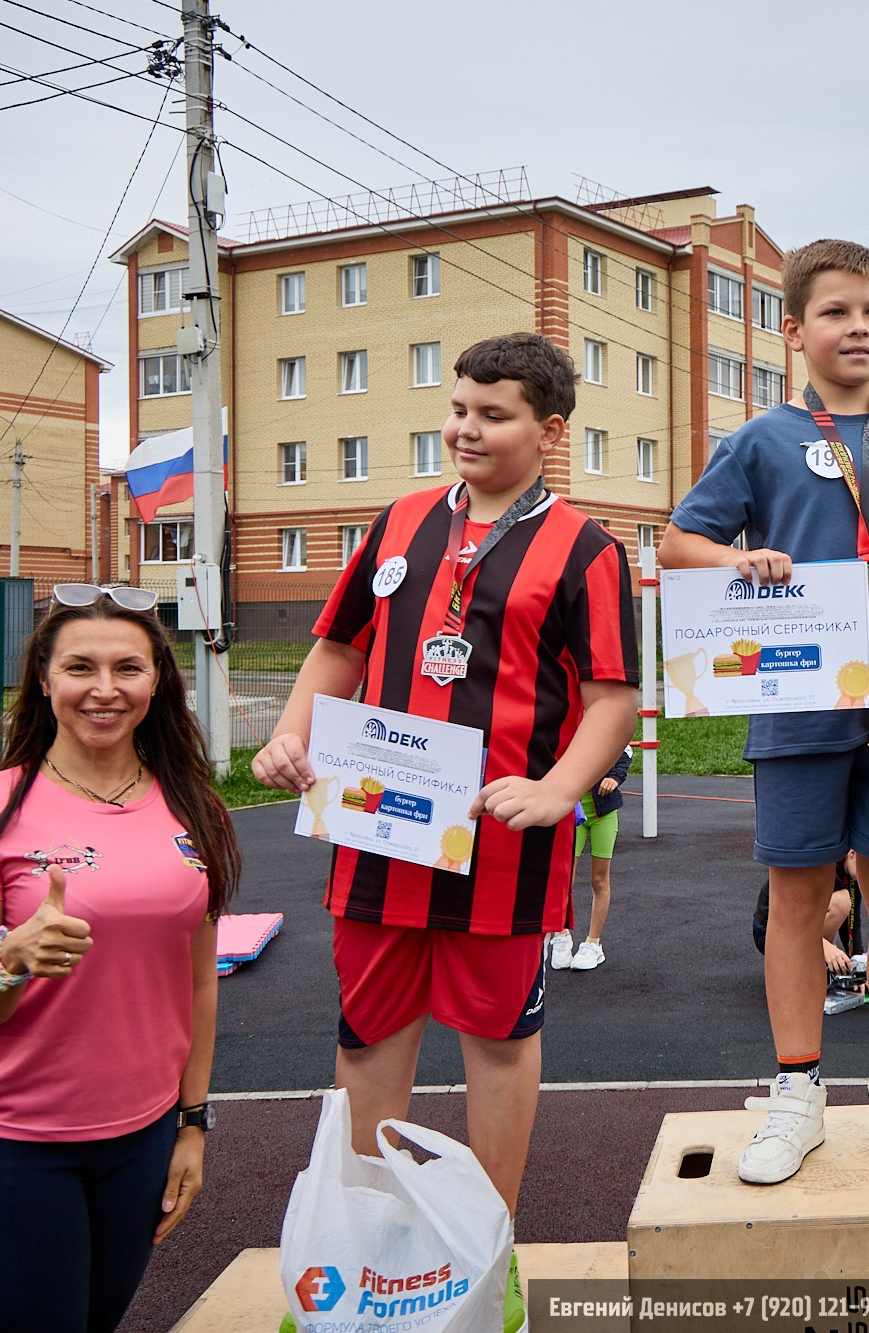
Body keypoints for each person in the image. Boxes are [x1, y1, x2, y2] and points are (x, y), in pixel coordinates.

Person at [251, 335, 639, 1257]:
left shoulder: (588, 550)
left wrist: (557, 789)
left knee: (497, 1043)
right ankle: (364, 1237)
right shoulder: (397, 522)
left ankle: (486, 1242)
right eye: (459, 408)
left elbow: (613, 699)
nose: (466, 427)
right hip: (377, 828)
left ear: (549, 431)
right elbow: (338, 648)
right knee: (367, 1035)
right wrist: (291, 733)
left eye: (492, 414)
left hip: (503, 843)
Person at [660, 237, 869, 1185]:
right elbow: (679, 543)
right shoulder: (760, 439)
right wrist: (737, 558)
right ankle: (796, 1089)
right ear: (795, 330)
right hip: (797, 702)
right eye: (837, 311)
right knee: (799, 899)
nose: (859, 327)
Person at [0, 584, 239, 1333]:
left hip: (142, 1140)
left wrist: (192, 1122)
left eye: (127, 668)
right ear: (44, 678)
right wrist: (10, 959)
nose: (104, 689)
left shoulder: (193, 806)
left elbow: (199, 980)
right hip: (16, 1144)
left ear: (157, 681)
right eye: (79, 667)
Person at [549, 743, 633, 971]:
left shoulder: (602, 724)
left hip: (602, 813)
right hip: (570, 812)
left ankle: (593, 943)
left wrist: (615, 777)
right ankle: (561, 935)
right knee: (563, 877)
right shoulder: (566, 726)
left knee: (599, 879)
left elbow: (624, 750)